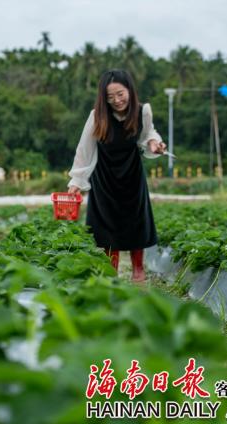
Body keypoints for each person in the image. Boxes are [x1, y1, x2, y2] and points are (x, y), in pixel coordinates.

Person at [67, 69, 166, 282]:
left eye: (120, 94)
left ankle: (138, 273)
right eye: (110, 97)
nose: (117, 100)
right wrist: (76, 180)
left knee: (135, 222)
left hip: (132, 176)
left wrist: (154, 144)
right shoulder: (97, 116)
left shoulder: (143, 111)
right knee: (107, 227)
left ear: (129, 90)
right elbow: (84, 149)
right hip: (104, 179)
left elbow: (148, 135)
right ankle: (111, 275)